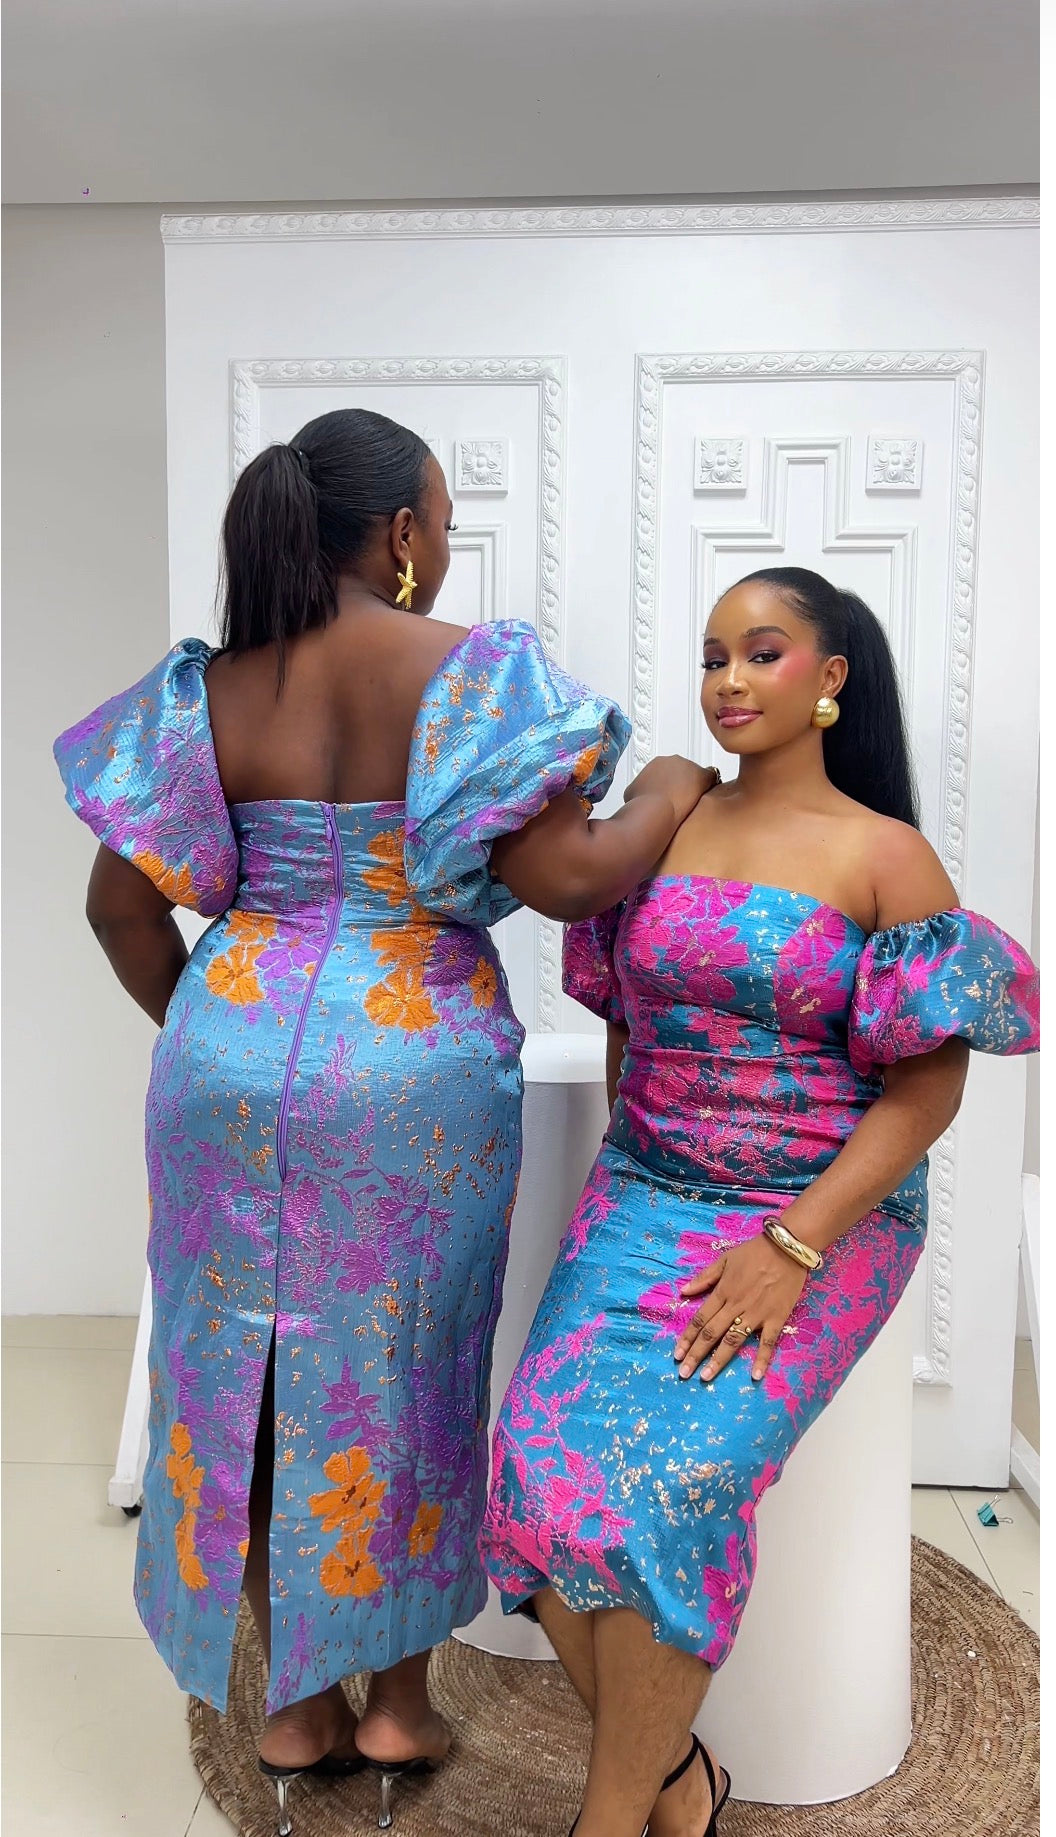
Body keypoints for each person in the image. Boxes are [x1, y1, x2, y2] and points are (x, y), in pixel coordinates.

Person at [54, 408, 714, 1835]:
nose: (449, 543)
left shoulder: (209, 688)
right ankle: (399, 1703)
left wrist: (222, 1044)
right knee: (407, 1365)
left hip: (228, 1050)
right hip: (412, 1067)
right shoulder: (471, 673)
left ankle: (292, 1708)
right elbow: (571, 877)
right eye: (445, 518)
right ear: (403, 535)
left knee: (237, 1371)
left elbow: (119, 909)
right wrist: (667, 790)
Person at [480, 566, 1039, 1837]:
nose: (729, 679)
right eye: (713, 655)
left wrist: (791, 1243)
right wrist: (634, 1172)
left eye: (763, 652)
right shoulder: (668, 815)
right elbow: (626, 1019)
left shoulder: (885, 855)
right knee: (525, 1475)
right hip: (645, 1194)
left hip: (820, 1214)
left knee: (677, 1484)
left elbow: (928, 1090)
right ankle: (681, 1779)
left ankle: (610, 1821)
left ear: (830, 678)